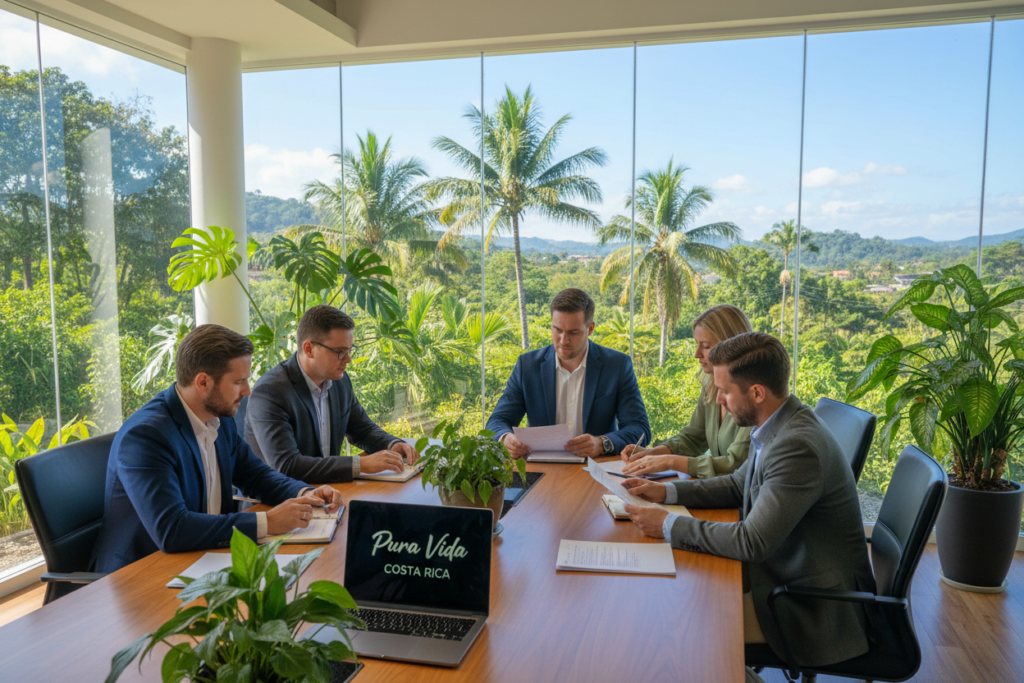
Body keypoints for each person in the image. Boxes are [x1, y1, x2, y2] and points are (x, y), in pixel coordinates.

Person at [622, 332, 875, 669]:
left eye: (725, 391)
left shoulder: (796, 446)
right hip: (787, 574)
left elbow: (753, 542)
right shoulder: (780, 423)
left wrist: (667, 524)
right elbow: (738, 484)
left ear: (757, 393)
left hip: (811, 608)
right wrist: (667, 492)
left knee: (678, 629)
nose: (718, 401)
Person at [91, 324, 342, 573]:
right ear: (203, 382)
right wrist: (269, 522)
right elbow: (172, 529)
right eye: (239, 381)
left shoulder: (220, 419)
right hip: (143, 576)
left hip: (205, 558)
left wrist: (305, 493)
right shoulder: (146, 436)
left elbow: (256, 475)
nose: (247, 390)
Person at [245, 305, 417, 484]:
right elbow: (288, 465)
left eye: (350, 350)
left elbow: (363, 430)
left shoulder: (339, 381)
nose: (348, 359)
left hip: (325, 495)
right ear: (309, 349)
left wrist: (392, 445)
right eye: (340, 352)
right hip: (276, 505)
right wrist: (359, 464)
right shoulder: (271, 392)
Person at [486, 288, 650, 458]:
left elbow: (639, 429)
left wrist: (602, 443)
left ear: (590, 328)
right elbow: (497, 421)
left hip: (596, 470)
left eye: (573, 332)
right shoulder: (527, 366)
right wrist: (506, 438)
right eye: (557, 330)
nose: (563, 340)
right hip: (540, 470)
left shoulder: (617, 365)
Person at [620, 304, 753, 479]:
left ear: (731, 345)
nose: (697, 354)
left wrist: (670, 461)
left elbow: (736, 465)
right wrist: (652, 453)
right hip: (719, 491)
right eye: (697, 345)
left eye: (705, 346)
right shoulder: (710, 383)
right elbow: (693, 437)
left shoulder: (752, 395)